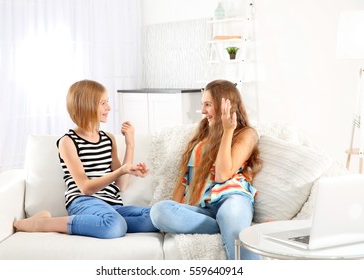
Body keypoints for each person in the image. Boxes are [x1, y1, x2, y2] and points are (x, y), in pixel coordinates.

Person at [14, 79, 158, 238]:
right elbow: (85, 188)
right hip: (84, 202)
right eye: (103, 103)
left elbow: (121, 185)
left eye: (107, 102)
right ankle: (42, 223)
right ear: (87, 105)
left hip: (112, 206)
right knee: (114, 226)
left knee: (155, 218)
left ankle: (108, 221)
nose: (109, 107)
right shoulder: (68, 142)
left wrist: (130, 144)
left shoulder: (108, 139)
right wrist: (120, 171)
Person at [150, 79, 262, 260]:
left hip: (231, 198)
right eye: (202, 104)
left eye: (208, 105)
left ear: (225, 105)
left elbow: (222, 175)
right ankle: (229, 225)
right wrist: (174, 214)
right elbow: (184, 178)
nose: (203, 111)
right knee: (159, 211)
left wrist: (228, 131)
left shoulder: (245, 133)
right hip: (202, 208)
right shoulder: (203, 131)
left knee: (231, 216)